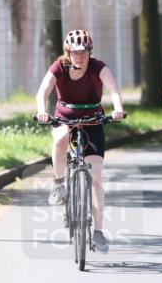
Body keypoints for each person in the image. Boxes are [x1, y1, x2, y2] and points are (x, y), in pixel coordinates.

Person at [36, 29, 125, 254]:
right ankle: (58, 184)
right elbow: (42, 93)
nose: (79, 57)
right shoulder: (59, 67)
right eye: (74, 52)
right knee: (61, 137)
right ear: (68, 53)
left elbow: (114, 90)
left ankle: (98, 232)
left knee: (95, 179)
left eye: (83, 52)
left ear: (89, 52)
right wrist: (42, 111)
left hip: (93, 120)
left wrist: (118, 109)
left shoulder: (98, 67)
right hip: (64, 116)